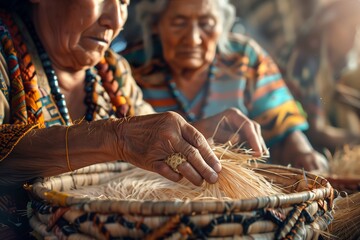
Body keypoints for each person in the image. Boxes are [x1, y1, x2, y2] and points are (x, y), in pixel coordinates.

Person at [0, 0, 267, 238]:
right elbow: (127, 137)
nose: (115, 20)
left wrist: (198, 135)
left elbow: (146, 143)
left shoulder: (114, 72)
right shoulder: (4, 52)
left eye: (124, 2)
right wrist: (116, 137)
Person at [122, 0, 328, 172]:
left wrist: (303, 154)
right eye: (178, 23)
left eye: (206, 24)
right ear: (157, 25)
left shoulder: (244, 58)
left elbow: (283, 128)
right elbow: (120, 146)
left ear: (222, 26)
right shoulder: (130, 68)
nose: (193, 38)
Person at [279, 0, 360, 153]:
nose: (354, 35)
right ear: (330, 25)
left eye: (357, 29)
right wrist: (355, 139)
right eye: (350, 27)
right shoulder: (305, 58)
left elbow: (331, 92)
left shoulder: (333, 59)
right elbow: (316, 132)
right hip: (293, 144)